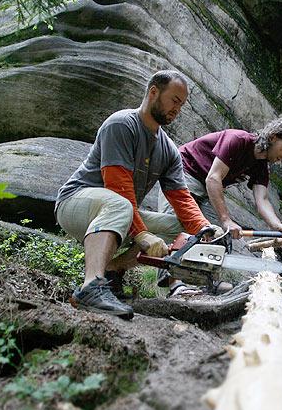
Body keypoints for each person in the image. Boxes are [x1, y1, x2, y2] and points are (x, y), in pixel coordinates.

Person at [55, 70, 222, 318]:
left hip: (119, 212)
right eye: (174, 101)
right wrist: (142, 234)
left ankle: (111, 271)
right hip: (74, 204)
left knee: (181, 229)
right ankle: (91, 287)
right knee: (120, 204)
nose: (177, 110)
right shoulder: (122, 124)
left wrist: (204, 229)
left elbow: (181, 197)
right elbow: (117, 186)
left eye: (181, 105)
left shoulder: (169, 150)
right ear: (154, 92)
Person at [166, 118, 282, 239]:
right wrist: (226, 220)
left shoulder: (261, 166)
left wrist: (278, 225)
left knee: (216, 235)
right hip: (185, 171)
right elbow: (213, 178)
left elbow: (262, 200)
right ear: (273, 137)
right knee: (176, 227)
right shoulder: (238, 139)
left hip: (206, 188)